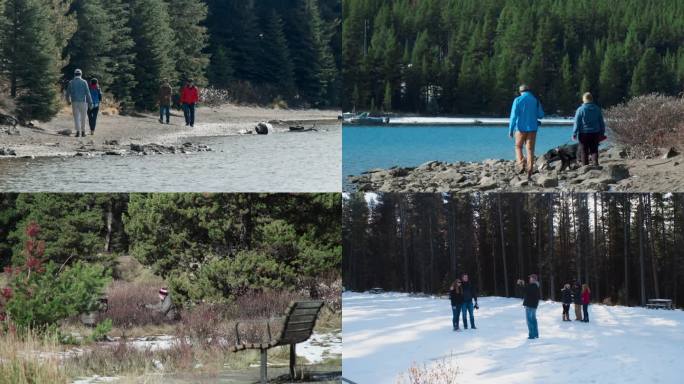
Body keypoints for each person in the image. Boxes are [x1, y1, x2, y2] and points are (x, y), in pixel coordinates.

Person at [509, 84, 545, 179]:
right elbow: (541, 114)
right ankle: (529, 170)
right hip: (533, 128)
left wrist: (510, 129)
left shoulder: (517, 100)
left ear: (521, 92)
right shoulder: (535, 100)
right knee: (530, 149)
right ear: (529, 91)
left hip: (520, 128)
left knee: (518, 146)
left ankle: (521, 164)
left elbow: (513, 117)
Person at [572, 92, 606, 167]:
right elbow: (601, 122)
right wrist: (602, 132)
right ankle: (595, 164)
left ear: (584, 99)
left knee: (584, 151)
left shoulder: (580, 109)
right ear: (591, 99)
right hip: (595, 133)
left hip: (584, 133)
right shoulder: (597, 109)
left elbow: (577, 122)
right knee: (594, 150)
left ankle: (585, 166)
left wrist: (574, 133)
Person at [65, 69, 93, 137]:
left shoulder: (71, 82)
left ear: (74, 74)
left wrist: (68, 101)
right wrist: (90, 102)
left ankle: (77, 132)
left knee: (76, 117)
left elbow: (67, 93)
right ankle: (83, 132)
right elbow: (88, 93)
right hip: (83, 102)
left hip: (74, 102)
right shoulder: (84, 82)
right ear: (81, 74)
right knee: (83, 117)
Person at [523, 274, 540, 339]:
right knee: (533, 320)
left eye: (530, 278)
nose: (529, 279)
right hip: (532, 305)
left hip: (530, 305)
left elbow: (526, 291)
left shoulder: (533, 286)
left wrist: (521, 285)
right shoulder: (535, 286)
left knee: (529, 320)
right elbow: (527, 291)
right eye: (529, 278)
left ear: (533, 279)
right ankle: (535, 334)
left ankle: (532, 335)